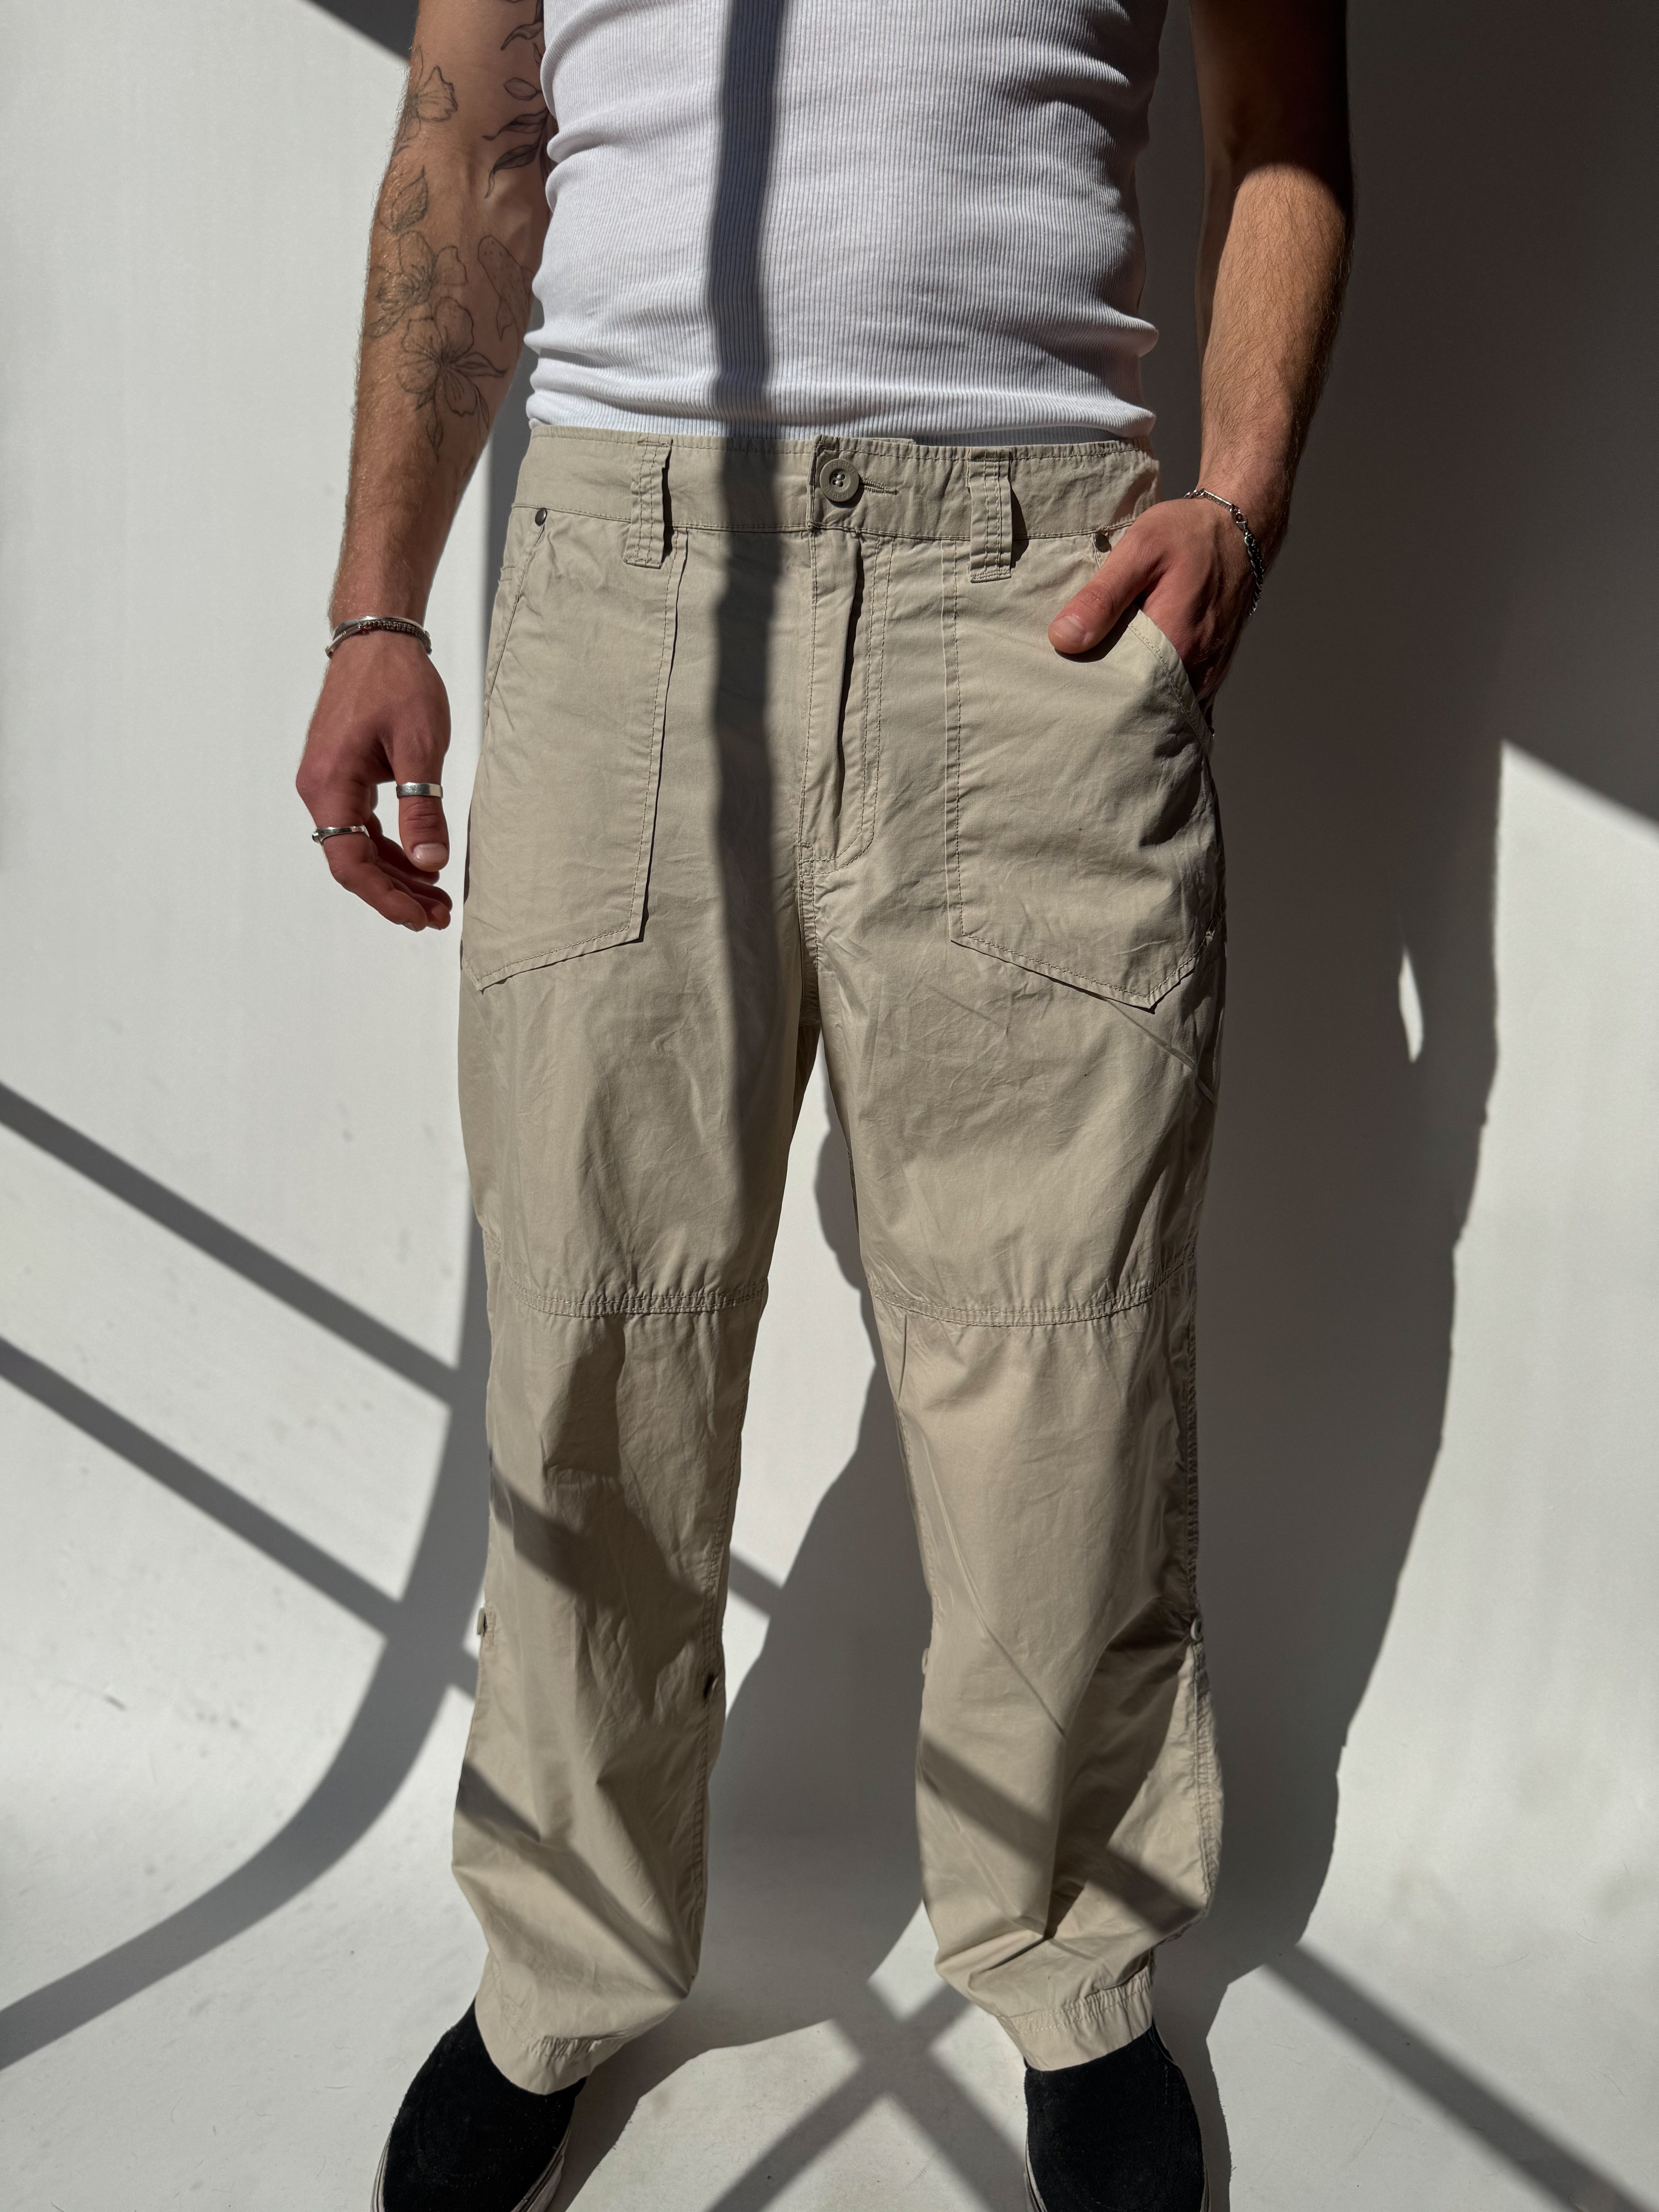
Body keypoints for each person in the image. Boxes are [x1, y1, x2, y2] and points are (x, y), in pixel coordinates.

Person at [297, 1, 1351, 2203]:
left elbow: (1283, 122)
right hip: (625, 573)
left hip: (1037, 591)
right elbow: (469, 143)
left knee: (1058, 1361)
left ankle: (1071, 1967)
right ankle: (561, 1964)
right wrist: (375, 606)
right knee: (592, 1328)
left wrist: (1239, 502)